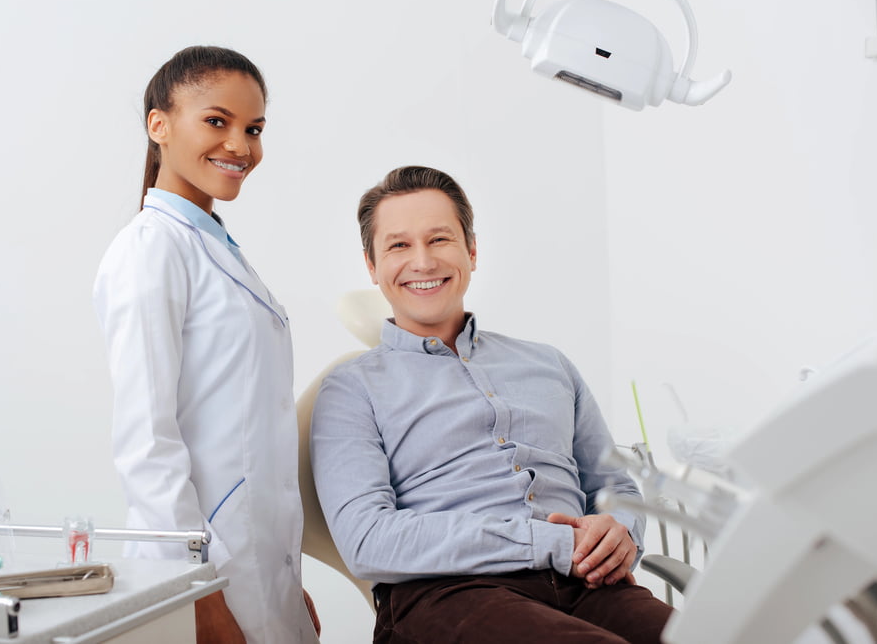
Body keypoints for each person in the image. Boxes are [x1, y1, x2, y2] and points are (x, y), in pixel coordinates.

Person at [311, 166, 673, 643]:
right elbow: (368, 541)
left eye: (439, 239)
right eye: (399, 245)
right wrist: (548, 542)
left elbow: (612, 485)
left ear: (472, 251)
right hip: (447, 593)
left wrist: (622, 530)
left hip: (587, 583)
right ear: (372, 266)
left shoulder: (549, 365)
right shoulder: (350, 389)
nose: (422, 261)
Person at [93, 46, 319, 643]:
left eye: (254, 129)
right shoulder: (151, 250)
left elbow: (243, 436)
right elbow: (146, 441)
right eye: (217, 121)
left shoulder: (212, 247)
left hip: (253, 565)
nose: (240, 146)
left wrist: (286, 579)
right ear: (158, 125)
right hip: (202, 575)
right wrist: (195, 594)